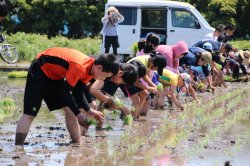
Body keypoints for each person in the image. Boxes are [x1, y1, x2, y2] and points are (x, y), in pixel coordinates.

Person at [15, 47, 119, 146]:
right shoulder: (80, 66)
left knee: (71, 112)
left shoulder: (91, 71)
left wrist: (89, 110)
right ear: (99, 67)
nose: (104, 79)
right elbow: (66, 92)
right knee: (30, 114)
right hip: (40, 71)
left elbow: (78, 91)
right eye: (105, 76)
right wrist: (79, 114)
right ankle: (18, 147)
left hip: (57, 76)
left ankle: (77, 143)